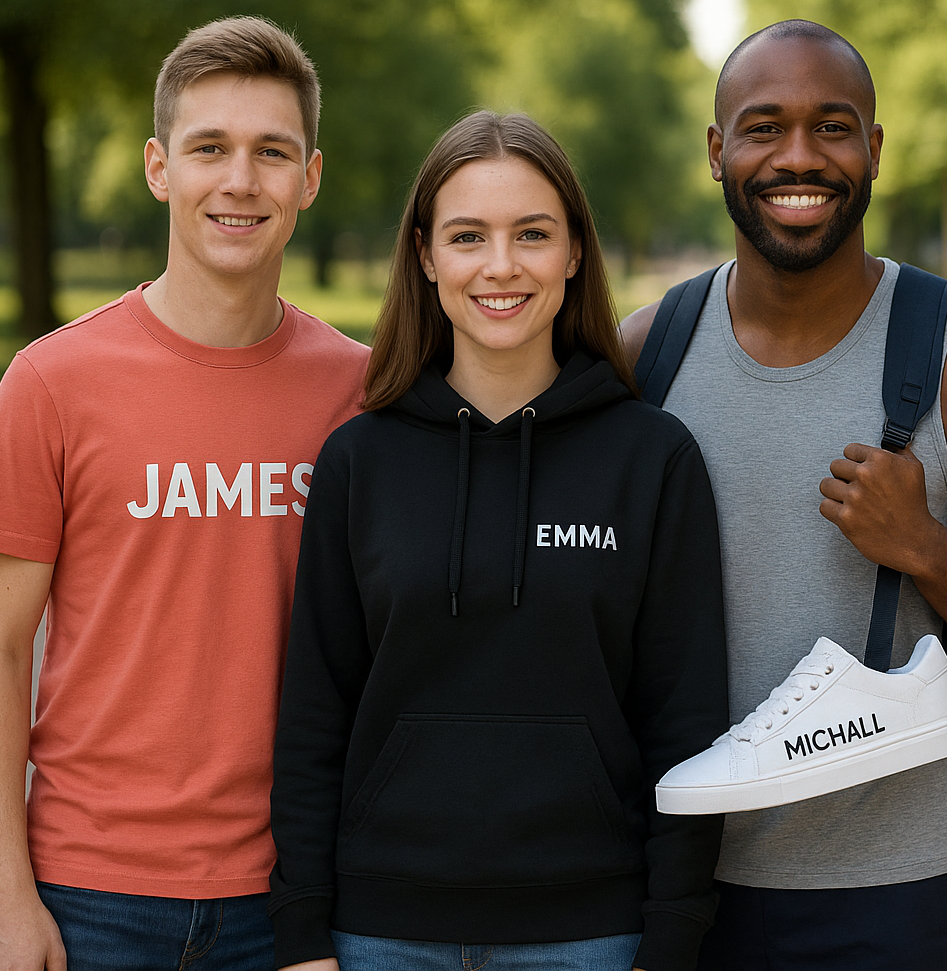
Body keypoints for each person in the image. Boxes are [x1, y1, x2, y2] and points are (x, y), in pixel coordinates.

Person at [620, 20, 947, 971]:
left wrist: (925, 546)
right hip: (670, 882)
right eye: (763, 127)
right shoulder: (644, 355)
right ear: (717, 152)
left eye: (833, 127)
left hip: (890, 894)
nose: (799, 157)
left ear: (875, 148)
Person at [266, 110, 728, 971]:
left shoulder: (651, 458)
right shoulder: (359, 459)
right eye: (468, 236)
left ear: (576, 252)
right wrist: (300, 932)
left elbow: (687, 721)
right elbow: (313, 716)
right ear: (427, 255)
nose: (501, 266)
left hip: (592, 933)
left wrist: (672, 937)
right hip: (379, 934)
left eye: (533, 234)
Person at [0, 16, 369, 971]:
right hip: (88, 892)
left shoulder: (358, 394)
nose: (240, 180)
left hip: (292, 894)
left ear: (310, 177)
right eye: (209, 148)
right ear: (158, 167)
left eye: (272, 152)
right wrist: (2, 896)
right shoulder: (52, 382)